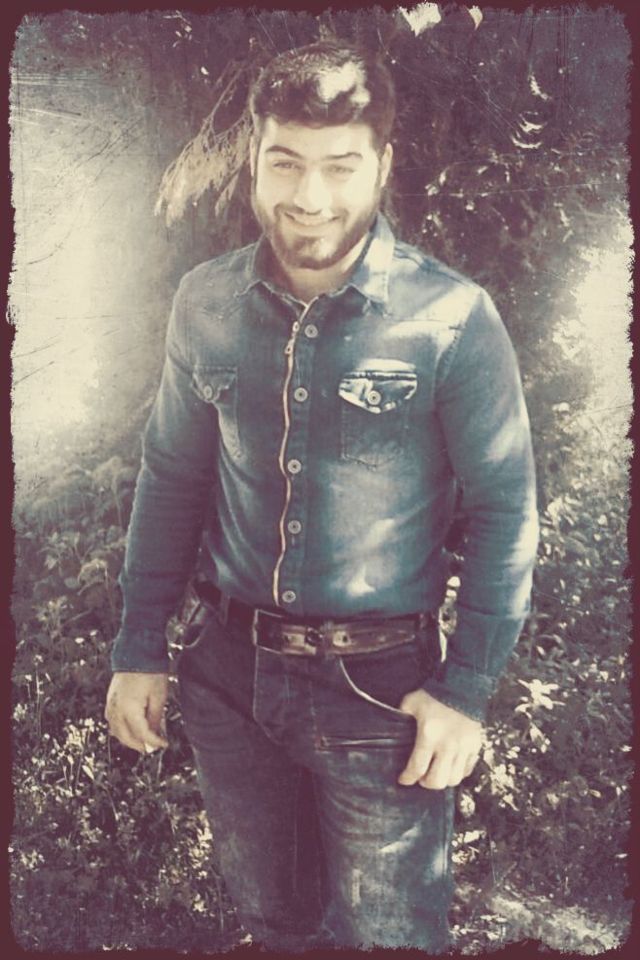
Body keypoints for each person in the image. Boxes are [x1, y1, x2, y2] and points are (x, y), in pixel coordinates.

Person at [105, 40, 539, 951]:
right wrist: (140, 645)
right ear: (253, 159)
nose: (309, 196)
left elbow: (506, 508)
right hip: (227, 676)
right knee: (275, 925)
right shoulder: (204, 303)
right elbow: (174, 476)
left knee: (389, 938)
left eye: (340, 166)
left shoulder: (451, 319)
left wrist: (466, 689)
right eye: (285, 162)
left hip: (382, 693)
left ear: (382, 164)